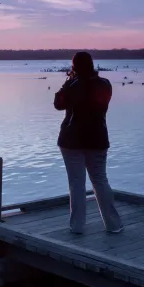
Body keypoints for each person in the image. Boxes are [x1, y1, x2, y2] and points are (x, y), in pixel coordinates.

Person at [54, 52, 123, 234]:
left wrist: (67, 83)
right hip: (97, 138)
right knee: (100, 180)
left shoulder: (72, 85)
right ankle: (113, 224)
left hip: (71, 140)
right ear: (92, 65)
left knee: (76, 183)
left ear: (74, 67)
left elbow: (58, 104)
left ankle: (77, 226)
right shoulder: (104, 84)